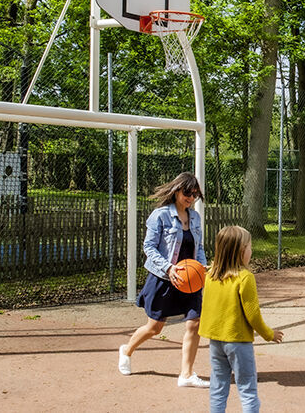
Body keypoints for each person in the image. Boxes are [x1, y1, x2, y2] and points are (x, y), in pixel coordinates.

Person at [118, 172, 210, 388]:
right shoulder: (160, 216)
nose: (191, 198)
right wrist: (169, 268)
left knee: (194, 324)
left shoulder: (195, 217)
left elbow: (200, 248)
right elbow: (148, 247)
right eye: (187, 193)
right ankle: (127, 350)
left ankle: (186, 374)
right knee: (155, 327)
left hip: (190, 280)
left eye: (195, 194)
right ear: (177, 190)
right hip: (165, 278)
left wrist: (202, 267)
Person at [200, 226, 284, 413]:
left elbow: (209, 307)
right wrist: (269, 334)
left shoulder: (211, 275)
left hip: (215, 341)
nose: (251, 251)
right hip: (239, 342)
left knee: (218, 386)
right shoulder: (245, 278)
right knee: (247, 389)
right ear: (241, 251)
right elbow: (253, 315)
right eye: (250, 247)